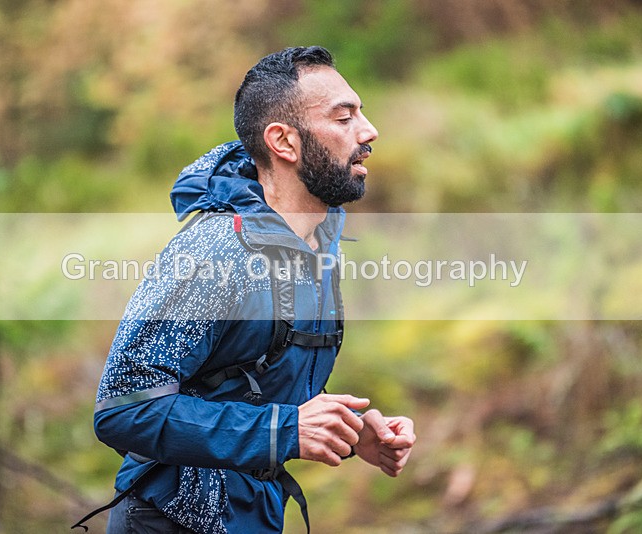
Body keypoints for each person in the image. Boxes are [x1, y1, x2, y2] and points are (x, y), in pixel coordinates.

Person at [89, 46, 416, 534]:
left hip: (253, 516)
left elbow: (245, 379)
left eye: (361, 113)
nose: (368, 131)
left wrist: (348, 433)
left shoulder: (315, 243)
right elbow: (125, 407)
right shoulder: (217, 251)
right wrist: (285, 430)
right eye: (344, 117)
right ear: (283, 141)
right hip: (170, 520)